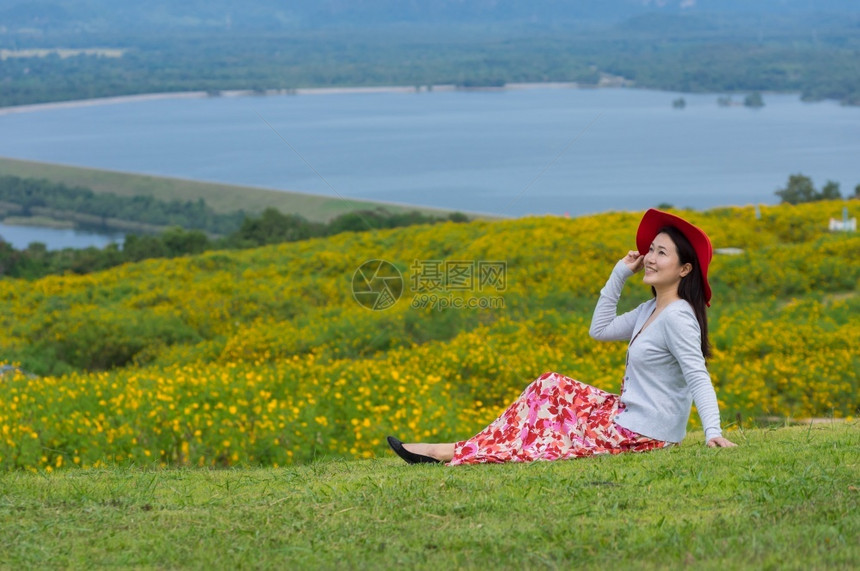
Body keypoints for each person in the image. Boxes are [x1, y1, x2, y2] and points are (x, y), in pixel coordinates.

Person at [387, 208, 736, 465]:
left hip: (642, 436)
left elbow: (697, 376)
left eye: (662, 253)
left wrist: (713, 432)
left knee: (549, 423)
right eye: (652, 249)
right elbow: (598, 330)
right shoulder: (650, 310)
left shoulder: (677, 317)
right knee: (548, 386)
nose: (650, 258)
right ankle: (460, 448)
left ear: (684, 269)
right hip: (627, 416)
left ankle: (446, 451)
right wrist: (618, 275)